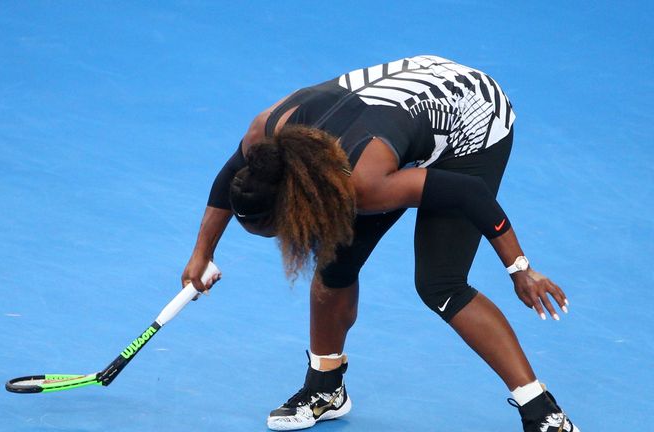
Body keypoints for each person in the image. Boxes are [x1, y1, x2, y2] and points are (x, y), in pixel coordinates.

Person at [181, 55, 579, 432]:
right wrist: (202, 253)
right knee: (334, 264)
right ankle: (326, 387)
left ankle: (545, 414)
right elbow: (231, 173)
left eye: (281, 230)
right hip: (402, 106)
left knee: (440, 283)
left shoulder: (362, 183)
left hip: (473, 115)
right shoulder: (264, 138)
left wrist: (520, 269)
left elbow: (469, 194)